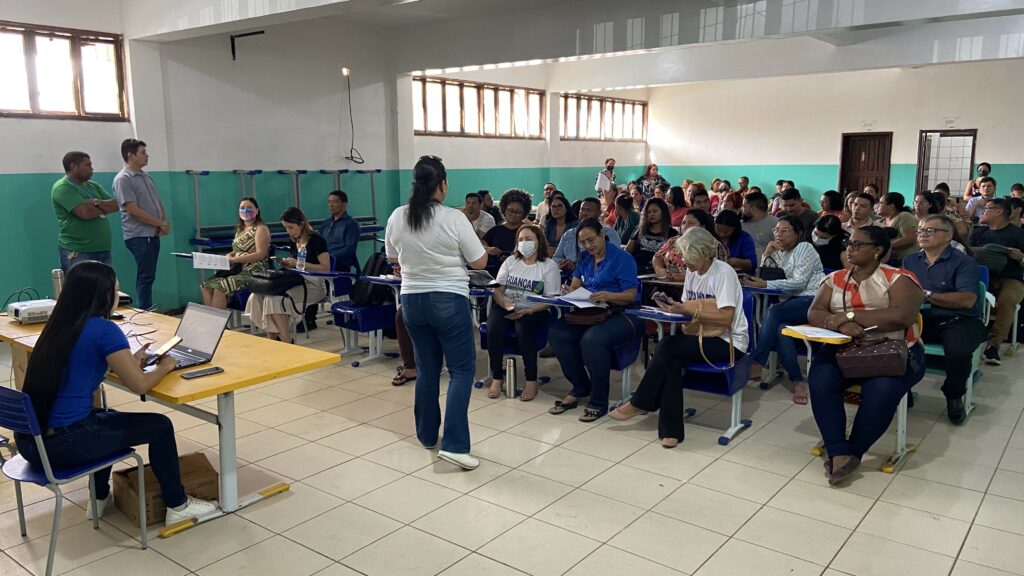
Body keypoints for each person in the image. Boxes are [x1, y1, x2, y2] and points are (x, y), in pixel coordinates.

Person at [18, 261, 217, 525]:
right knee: (160, 426)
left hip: (32, 445)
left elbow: (83, 364)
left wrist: (129, 362)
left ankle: (99, 498)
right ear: (103, 295)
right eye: (115, 290)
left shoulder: (58, 326)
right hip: (66, 446)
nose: (118, 296)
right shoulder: (105, 330)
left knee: (106, 417)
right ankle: (178, 505)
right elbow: (140, 386)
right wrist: (166, 366)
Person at [384, 156, 488, 470]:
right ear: (442, 184)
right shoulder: (454, 218)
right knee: (461, 371)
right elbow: (479, 262)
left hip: (412, 301)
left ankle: (428, 435)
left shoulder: (398, 216)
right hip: (448, 300)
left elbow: (392, 257)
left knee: (427, 369)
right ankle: (455, 446)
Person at [806, 226, 926, 485]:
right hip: (846, 349)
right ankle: (838, 452)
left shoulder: (898, 278)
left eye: (858, 245)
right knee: (820, 382)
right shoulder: (835, 279)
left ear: (878, 250)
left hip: (894, 352)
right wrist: (838, 324)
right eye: (849, 243)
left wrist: (849, 316)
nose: (850, 248)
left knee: (880, 391)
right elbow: (814, 312)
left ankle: (854, 452)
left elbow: (902, 316)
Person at [609, 227, 748, 447]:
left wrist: (690, 312)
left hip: (729, 341)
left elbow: (726, 317)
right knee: (671, 361)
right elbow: (688, 308)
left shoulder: (723, 273)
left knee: (667, 346)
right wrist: (671, 307)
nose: (683, 261)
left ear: (702, 253)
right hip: (701, 335)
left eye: (687, 256)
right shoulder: (693, 272)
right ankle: (671, 432)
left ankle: (641, 402)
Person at [548, 218, 646, 422]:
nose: (588, 246)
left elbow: (630, 295)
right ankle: (580, 386)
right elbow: (576, 285)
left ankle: (599, 400)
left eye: (591, 240)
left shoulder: (622, 258)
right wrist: (569, 291)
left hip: (623, 313)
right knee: (557, 332)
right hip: (591, 311)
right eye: (583, 242)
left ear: (602, 234)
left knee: (592, 340)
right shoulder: (585, 258)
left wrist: (608, 295)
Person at [903, 215, 986, 424]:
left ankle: (954, 396)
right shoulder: (910, 260)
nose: (922, 234)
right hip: (921, 318)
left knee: (958, 352)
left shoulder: (964, 262)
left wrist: (928, 295)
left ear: (948, 236)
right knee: (888, 340)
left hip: (957, 319)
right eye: (920, 230)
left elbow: (967, 300)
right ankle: (903, 390)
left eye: (929, 231)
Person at [742, 215, 825, 403]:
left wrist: (765, 284)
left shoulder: (804, 247)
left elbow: (799, 282)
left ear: (798, 233)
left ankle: (758, 361)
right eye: (776, 230)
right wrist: (767, 255)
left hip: (813, 301)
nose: (779, 234)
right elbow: (764, 277)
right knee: (782, 330)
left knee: (774, 311)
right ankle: (797, 381)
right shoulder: (779, 252)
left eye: (785, 231)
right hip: (792, 304)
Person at [486, 223, 559, 401]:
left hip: (535, 310)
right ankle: (497, 377)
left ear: (538, 241)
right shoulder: (510, 262)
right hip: (506, 305)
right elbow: (497, 288)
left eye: (528, 239)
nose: (524, 243)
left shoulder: (549, 266)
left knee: (523, 328)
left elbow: (549, 300)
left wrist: (530, 310)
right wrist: (504, 303)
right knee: (493, 327)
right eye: (520, 239)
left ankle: (531, 380)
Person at [246, 207, 329, 343]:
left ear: (302, 224)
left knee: (273, 299)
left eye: (291, 227)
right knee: (258, 295)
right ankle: (273, 340)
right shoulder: (294, 240)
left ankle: (286, 340)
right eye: (286, 228)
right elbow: (297, 265)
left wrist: (298, 263)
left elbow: (325, 268)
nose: (289, 231)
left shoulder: (317, 241)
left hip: (314, 284)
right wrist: (289, 264)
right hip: (296, 280)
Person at [112, 139, 168, 311]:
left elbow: (157, 201)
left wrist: (163, 223)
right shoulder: (124, 179)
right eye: (143, 152)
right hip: (139, 236)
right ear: (131, 155)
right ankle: (145, 312)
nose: (147, 155)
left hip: (152, 233)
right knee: (146, 276)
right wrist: (159, 223)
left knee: (149, 276)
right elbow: (132, 210)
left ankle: (146, 309)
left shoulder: (145, 176)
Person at [970, 198, 1024, 365]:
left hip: (1010, 278)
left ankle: (993, 345)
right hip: (981, 276)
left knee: (1007, 299)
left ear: (999, 211)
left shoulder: (1018, 234)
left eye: (987, 208)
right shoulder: (978, 233)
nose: (983, 212)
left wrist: (1021, 257)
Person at [52, 151, 119, 272]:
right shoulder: (62, 187)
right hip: (78, 251)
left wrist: (95, 202)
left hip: (103, 250)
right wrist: (104, 208)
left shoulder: (92, 186)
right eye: (87, 165)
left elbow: (116, 205)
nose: (92, 168)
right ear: (73, 166)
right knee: (79, 285)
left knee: (105, 284)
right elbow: (85, 213)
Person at [306, 189, 362, 331]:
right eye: (329, 202)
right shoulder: (326, 224)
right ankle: (307, 317)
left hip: (340, 265)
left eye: (335, 202)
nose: (331, 205)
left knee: (316, 278)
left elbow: (350, 249)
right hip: (324, 263)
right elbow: (318, 243)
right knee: (307, 275)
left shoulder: (351, 224)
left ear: (344, 204)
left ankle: (309, 318)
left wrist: (330, 259)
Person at [200, 198, 271, 309]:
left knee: (220, 288)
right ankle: (212, 317)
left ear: (257, 211)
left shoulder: (261, 229)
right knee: (205, 286)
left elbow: (260, 254)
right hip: (237, 268)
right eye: (242, 208)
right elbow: (237, 250)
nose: (245, 210)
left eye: (249, 207)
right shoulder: (240, 229)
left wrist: (234, 259)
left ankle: (218, 319)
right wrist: (229, 255)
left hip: (253, 270)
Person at [653, 209, 728, 284]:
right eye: (683, 223)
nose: (685, 226)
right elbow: (657, 257)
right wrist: (660, 270)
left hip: (700, 287)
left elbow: (718, 271)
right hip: (668, 285)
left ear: (703, 226)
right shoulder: (673, 241)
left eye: (691, 223)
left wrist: (690, 277)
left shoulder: (713, 245)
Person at [552, 197, 621, 271]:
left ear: (599, 213)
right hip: (569, 275)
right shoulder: (568, 234)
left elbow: (612, 258)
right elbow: (556, 258)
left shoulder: (608, 232)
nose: (584, 213)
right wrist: (563, 263)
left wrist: (576, 266)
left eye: (589, 210)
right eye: (582, 209)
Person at [483, 189, 531, 276]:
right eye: (510, 210)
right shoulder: (496, 230)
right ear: (504, 210)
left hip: (522, 274)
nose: (513, 214)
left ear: (524, 214)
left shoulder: (529, 231)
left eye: (518, 212)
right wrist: (488, 249)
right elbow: (481, 243)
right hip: (496, 274)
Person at [625, 198, 678, 275]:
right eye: (648, 212)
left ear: (663, 212)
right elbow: (627, 251)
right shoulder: (639, 229)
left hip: (657, 272)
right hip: (635, 269)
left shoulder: (672, 233)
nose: (651, 214)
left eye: (655, 211)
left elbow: (673, 259)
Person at [877, 192, 919, 262]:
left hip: (904, 261)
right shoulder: (879, 222)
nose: (877, 205)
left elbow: (910, 238)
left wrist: (886, 247)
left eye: (881, 203)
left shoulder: (904, 216)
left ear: (891, 206)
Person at [741, 191, 779, 261]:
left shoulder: (776, 224)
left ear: (753, 209)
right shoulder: (740, 225)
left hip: (764, 264)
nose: (741, 209)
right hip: (741, 264)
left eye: (744, 206)